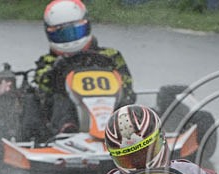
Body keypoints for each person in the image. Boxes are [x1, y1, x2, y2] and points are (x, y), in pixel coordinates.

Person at [23, 0, 135, 138]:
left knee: (125, 102)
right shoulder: (48, 62)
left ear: (86, 26)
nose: (70, 38)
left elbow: (127, 84)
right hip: (68, 115)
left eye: (75, 31)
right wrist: (57, 72)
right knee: (61, 99)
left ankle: (127, 128)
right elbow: (44, 86)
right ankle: (67, 130)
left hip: (111, 105)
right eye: (62, 34)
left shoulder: (110, 55)